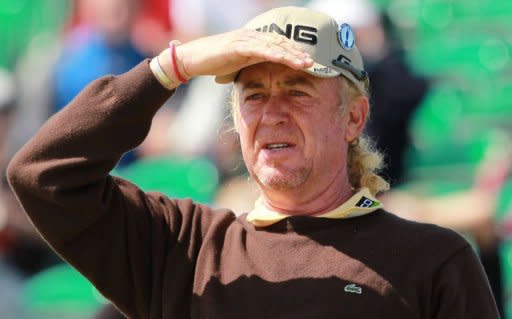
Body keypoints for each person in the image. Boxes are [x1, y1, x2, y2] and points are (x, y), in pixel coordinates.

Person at [6, 6, 499, 319]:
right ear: (236, 120)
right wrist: (173, 66)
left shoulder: (434, 261)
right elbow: (42, 174)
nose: (273, 114)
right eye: (255, 94)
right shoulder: (182, 248)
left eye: (297, 91)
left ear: (353, 117)